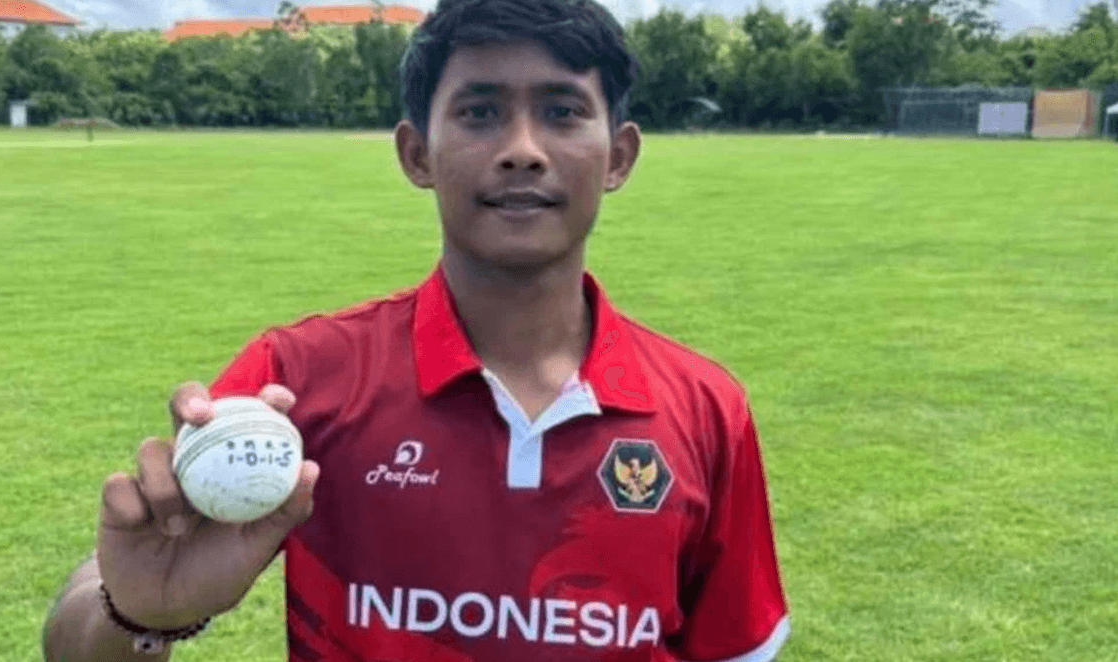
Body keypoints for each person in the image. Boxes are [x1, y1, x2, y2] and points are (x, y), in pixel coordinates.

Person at [41, 0, 790, 660]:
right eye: (479, 112)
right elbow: (78, 637)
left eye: (563, 111)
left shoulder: (705, 408)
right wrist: (136, 613)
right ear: (417, 154)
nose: (523, 148)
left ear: (618, 156)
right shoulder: (297, 380)